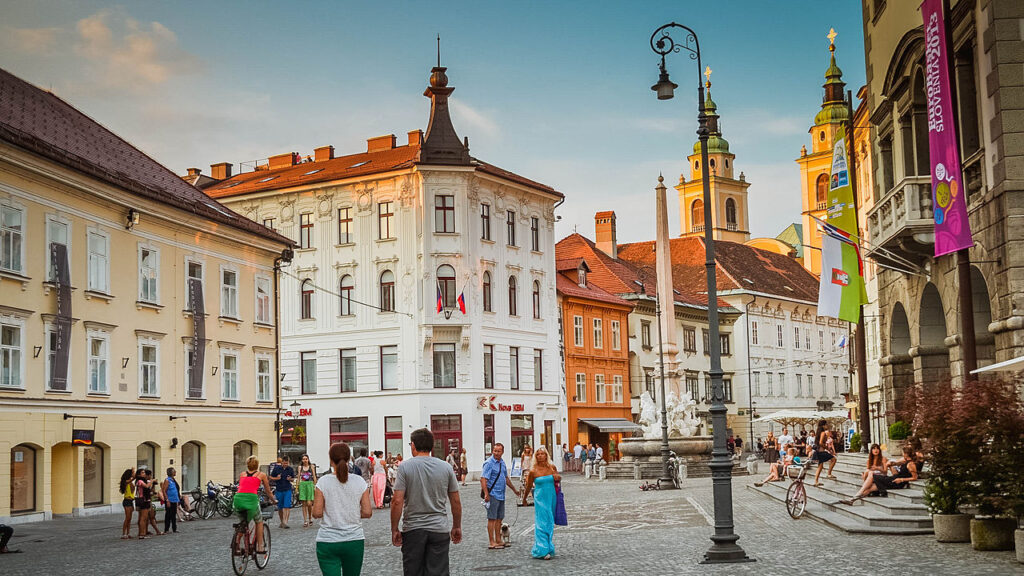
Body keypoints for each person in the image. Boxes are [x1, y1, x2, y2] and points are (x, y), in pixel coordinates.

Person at [391, 428, 462, 576]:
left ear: (414, 445)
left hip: (413, 529)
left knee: (413, 572)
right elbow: (455, 501)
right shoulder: (446, 467)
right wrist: (456, 526)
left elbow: (397, 501)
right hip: (439, 528)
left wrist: (394, 529)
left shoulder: (405, 467)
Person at [313, 442, 372, 576]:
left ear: (330, 460)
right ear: (349, 458)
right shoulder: (359, 481)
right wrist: (352, 512)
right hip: (354, 540)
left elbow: (316, 513)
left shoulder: (323, 482)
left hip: (328, 541)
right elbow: (367, 512)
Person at [840, 446, 920, 505]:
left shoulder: (911, 464)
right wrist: (893, 465)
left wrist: (902, 480)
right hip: (894, 480)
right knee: (870, 488)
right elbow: (898, 465)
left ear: (906, 454)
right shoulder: (905, 461)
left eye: (902, 453)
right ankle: (852, 500)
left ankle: (857, 494)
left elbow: (914, 477)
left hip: (897, 482)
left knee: (871, 475)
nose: (901, 454)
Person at [521, 445, 559, 560]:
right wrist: (524, 499)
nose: (540, 456)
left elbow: (557, 480)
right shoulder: (533, 471)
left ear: (546, 455)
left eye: (542, 453)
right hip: (540, 498)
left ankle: (548, 546)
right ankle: (542, 549)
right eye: (538, 454)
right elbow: (528, 486)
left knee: (549, 521)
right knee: (541, 522)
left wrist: (558, 477)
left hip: (551, 497)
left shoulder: (552, 467)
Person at [480, 443, 521, 550]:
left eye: (498, 451)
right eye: (495, 451)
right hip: (492, 494)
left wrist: (514, 490)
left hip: (501, 495)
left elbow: (506, 478)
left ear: (502, 452)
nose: (496, 453)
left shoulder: (502, 462)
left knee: (499, 519)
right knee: (492, 518)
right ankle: (491, 542)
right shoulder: (489, 463)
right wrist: (486, 494)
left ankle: (498, 540)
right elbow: (483, 479)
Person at [233, 456, 276, 554]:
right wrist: (273, 500)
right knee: (259, 521)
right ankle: (260, 546)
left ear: (247, 465)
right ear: (257, 465)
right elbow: (268, 491)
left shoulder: (242, 474)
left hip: (238, 499)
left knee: (243, 522)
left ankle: (236, 542)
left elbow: (243, 487)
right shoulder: (261, 475)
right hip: (251, 499)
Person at [270, 455, 296, 529]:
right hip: (279, 489)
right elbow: (271, 477)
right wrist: (277, 478)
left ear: (288, 463)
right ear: (282, 462)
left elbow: (293, 479)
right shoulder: (277, 469)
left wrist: (290, 479)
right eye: (284, 463)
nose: (285, 464)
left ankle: (285, 522)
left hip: (287, 489)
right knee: (280, 507)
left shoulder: (290, 469)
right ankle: (282, 521)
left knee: (287, 506)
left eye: (287, 463)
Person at [810, 421, 837, 486]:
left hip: (818, 451)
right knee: (834, 459)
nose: (827, 426)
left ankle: (816, 481)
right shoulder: (822, 433)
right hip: (821, 451)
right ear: (823, 426)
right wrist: (827, 448)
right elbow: (820, 443)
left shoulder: (818, 433)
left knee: (820, 466)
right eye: (826, 425)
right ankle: (829, 474)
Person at [135, 469, 158, 538]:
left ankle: (142, 533)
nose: (144, 474)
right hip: (143, 500)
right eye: (142, 473)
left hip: (144, 500)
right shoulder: (140, 481)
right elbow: (146, 486)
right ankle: (142, 534)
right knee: (143, 518)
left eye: (144, 472)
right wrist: (152, 481)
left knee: (144, 518)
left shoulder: (142, 480)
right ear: (139, 474)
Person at [298, 454, 318, 528]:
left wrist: (315, 485)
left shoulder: (311, 466)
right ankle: (305, 520)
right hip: (303, 484)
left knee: (309, 503)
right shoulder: (300, 467)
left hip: (310, 484)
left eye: (306, 459)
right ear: (302, 460)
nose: (305, 460)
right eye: (303, 459)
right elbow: (298, 476)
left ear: (308, 459)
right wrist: (297, 486)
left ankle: (310, 517)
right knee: (303, 503)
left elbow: (314, 475)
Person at [161, 467, 181, 534]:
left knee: (173, 515)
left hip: (175, 499)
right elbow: (164, 490)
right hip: (170, 500)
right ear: (171, 472)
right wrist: (167, 500)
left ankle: (174, 528)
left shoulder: (173, 480)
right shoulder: (167, 480)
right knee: (168, 515)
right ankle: (166, 529)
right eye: (174, 471)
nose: (175, 472)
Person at [119, 468, 136, 539]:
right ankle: (123, 533)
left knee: (130, 518)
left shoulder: (131, 482)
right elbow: (131, 480)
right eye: (132, 473)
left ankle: (128, 533)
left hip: (131, 501)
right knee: (127, 517)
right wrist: (134, 476)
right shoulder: (126, 482)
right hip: (126, 501)